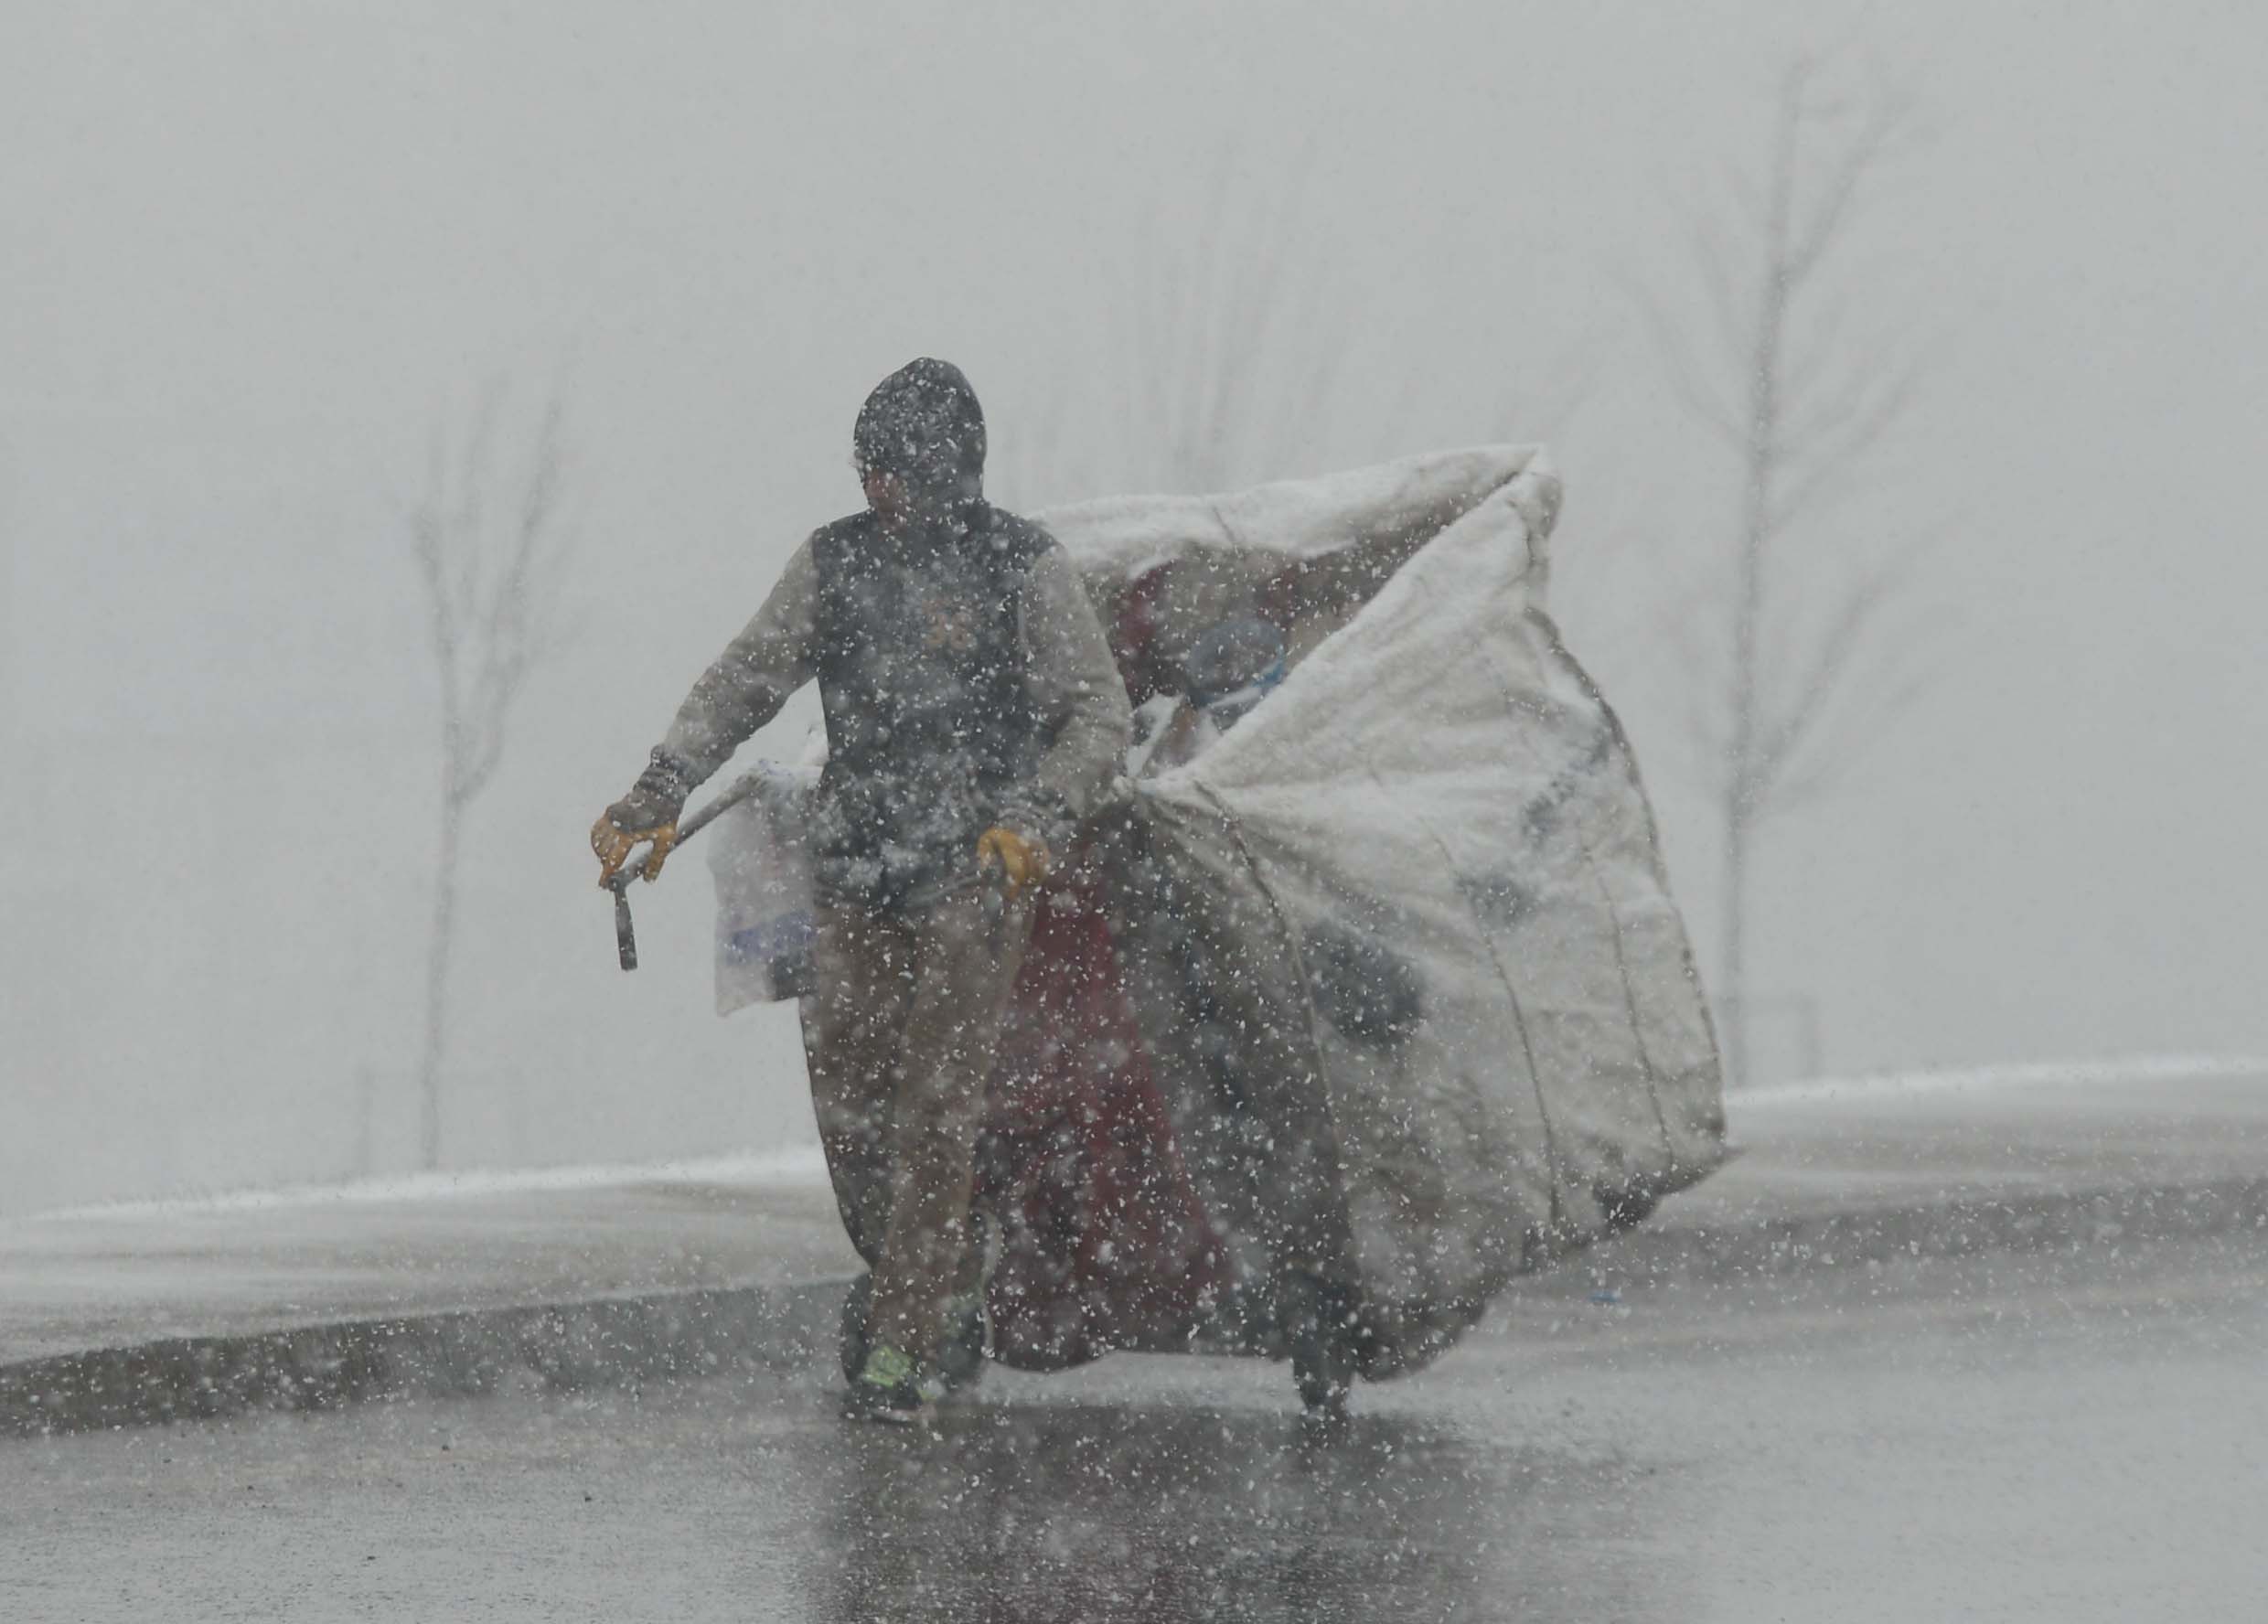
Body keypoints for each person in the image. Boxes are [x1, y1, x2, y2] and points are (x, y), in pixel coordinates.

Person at [591, 358, 1132, 1423]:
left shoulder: (1021, 568)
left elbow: (1097, 715)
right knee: (853, 1117)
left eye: (884, 468)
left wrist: (1034, 820)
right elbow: (744, 677)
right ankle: (932, 1275)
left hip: (974, 885)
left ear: (937, 470)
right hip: (854, 876)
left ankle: (901, 1344)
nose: (869, 488)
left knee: (935, 1115)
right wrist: (660, 789)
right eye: (862, 468)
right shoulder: (832, 565)